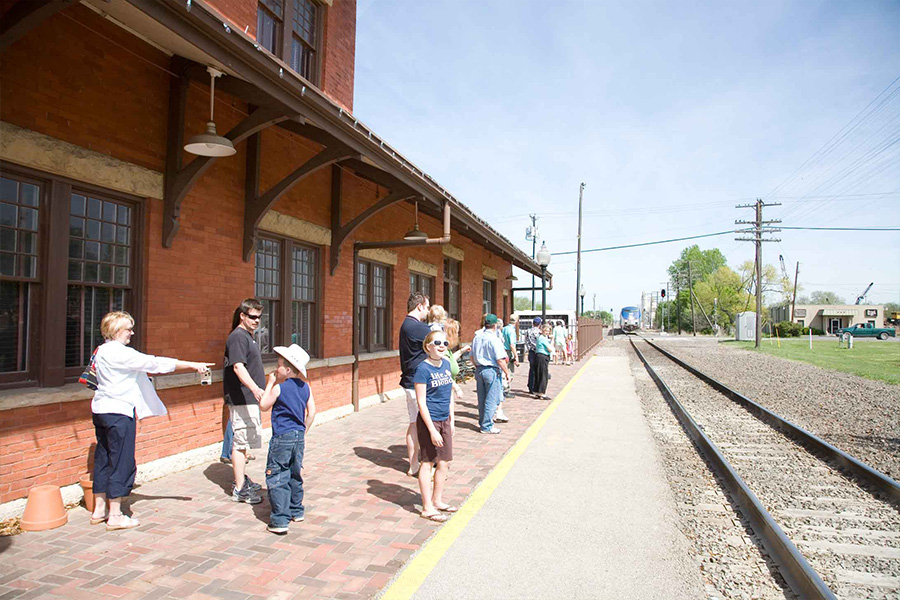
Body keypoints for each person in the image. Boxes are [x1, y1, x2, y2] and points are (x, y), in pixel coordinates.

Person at [89, 311, 212, 531]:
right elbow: (154, 363)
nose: (132, 333)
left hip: (101, 410)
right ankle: (115, 515)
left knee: (103, 457)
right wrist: (192, 364)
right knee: (121, 461)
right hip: (119, 412)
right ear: (117, 330)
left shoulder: (100, 351)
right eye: (128, 329)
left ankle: (99, 509)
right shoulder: (121, 353)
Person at [259, 344, 316, 535]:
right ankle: (296, 510)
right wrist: (304, 431)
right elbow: (312, 412)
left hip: (282, 436)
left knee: (277, 474)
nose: (277, 368)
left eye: (279, 365)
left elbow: (263, 405)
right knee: (294, 472)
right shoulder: (306, 387)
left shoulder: (279, 387)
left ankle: (280, 519)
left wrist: (269, 383)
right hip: (299, 436)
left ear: (288, 370)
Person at [224, 298, 266, 504]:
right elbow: (238, 367)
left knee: (245, 443)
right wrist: (255, 389)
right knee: (240, 444)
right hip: (242, 398)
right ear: (242, 316)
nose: (256, 321)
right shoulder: (238, 337)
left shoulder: (248, 336)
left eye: (259, 317)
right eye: (252, 317)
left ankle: (241, 480)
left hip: (248, 399)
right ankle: (240, 489)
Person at [413, 330, 458, 523]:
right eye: (437, 342)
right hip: (428, 421)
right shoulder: (422, 369)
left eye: (445, 343)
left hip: (444, 419)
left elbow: (448, 395)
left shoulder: (446, 365)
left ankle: (437, 500)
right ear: (428, 346)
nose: (442, 346)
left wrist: (452, 419)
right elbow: (421, 402)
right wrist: (431, 429)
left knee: (445, 461)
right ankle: (426, 507)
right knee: (428, 461)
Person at [399, 292, 432, 476]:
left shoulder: (406, 325)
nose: (427, 312)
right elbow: (442, 341)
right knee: (427, 423)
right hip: (418, 383)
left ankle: (413, 465)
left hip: (409, 380)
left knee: (414, 423)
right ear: (419, 306)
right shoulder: (417, 327)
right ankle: (427, 464)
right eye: (427, 307)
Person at [471, 314, 511, 434]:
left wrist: (477, 366)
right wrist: (507, 372)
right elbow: (500, 359)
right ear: (495, 326)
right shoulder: (494, 339)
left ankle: (482, 422)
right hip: (491, 370)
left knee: (481, 398)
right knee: (491, 399)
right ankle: (487, 426)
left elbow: (472, 356)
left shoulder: (477, 337)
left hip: (479, 369)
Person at [500, 314, 520, 398]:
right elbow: (512, 345)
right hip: (509, 352)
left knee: (503, 371)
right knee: (509, 372)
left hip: (503, 351)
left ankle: (503, 388)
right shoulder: (511, 331)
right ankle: (506, 390)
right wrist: (516, 356)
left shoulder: (504, 328)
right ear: (516, 321)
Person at [532, 323, 553, 399]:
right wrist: (552, 340)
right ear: (542, 330)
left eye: (548, 331)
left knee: (539, 374)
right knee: (543, 375)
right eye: (546, 330)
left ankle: (537, 391)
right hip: (542, 356)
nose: (547, 332)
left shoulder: (542, 338)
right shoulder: (543, 338)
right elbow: (550, 349)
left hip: (539, 356)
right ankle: (541, 392)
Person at [524, 316, 542, 395]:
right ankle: (535, 387)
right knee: (537, 370)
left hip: (531, 351)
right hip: (537, 351)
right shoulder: (539, 332)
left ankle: (530, 385)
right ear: (539, 324)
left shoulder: (528, 331)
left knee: (531, 369)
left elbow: (526, 341)